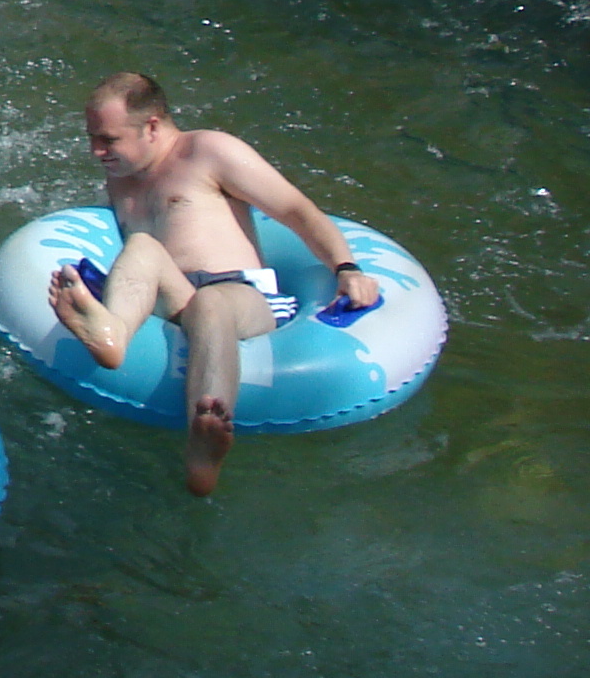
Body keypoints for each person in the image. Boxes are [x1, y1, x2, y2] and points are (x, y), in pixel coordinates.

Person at [46, 71, 382, 496]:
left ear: (152, 127)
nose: (96, 151)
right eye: (92, 137)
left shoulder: (208, 151)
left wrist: (346, 268)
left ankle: (204, 442)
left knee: (210, 305)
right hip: (174, 297)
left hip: (243, 296)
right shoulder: (120, 178)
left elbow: (296, 210)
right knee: (144, 247)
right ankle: (111, 332)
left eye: (108, 139)